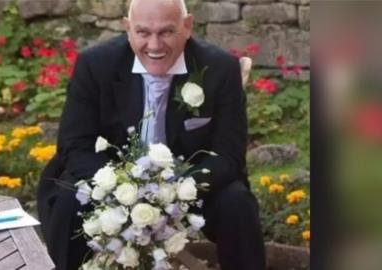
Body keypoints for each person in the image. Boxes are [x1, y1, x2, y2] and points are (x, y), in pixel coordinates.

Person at [37, 0, 266, 269]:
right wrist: (121, 189)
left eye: (166, 32)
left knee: (237, 204)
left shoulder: (220, 68)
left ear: (188, 26)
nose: (155, 45)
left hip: (192, 187)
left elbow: (228, 155)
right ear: (127, 28)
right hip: (111, 184)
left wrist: (176, 192)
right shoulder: (95, 64)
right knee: (67, 204)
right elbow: (74, 145)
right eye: (143, 32)